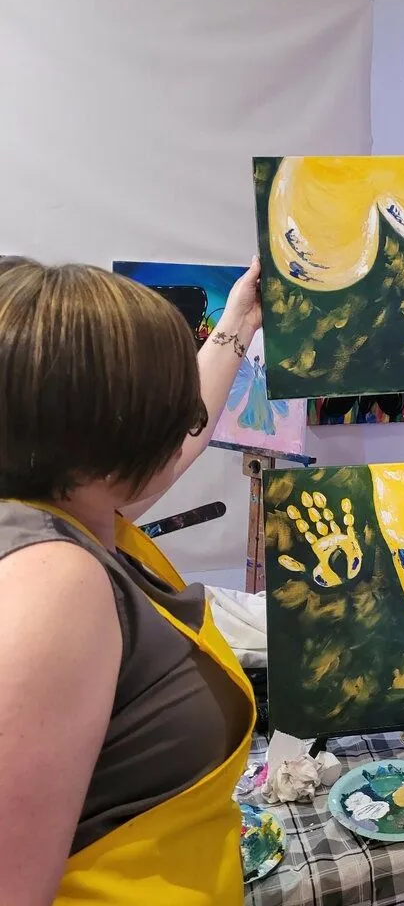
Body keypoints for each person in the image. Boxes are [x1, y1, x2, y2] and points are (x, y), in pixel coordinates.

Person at [0, 255, 263, 905]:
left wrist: (238, 321)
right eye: (166, 406)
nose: (188, 421)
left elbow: (180, 448)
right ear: (105, 424)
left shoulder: (63, 507)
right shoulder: (52, 580)